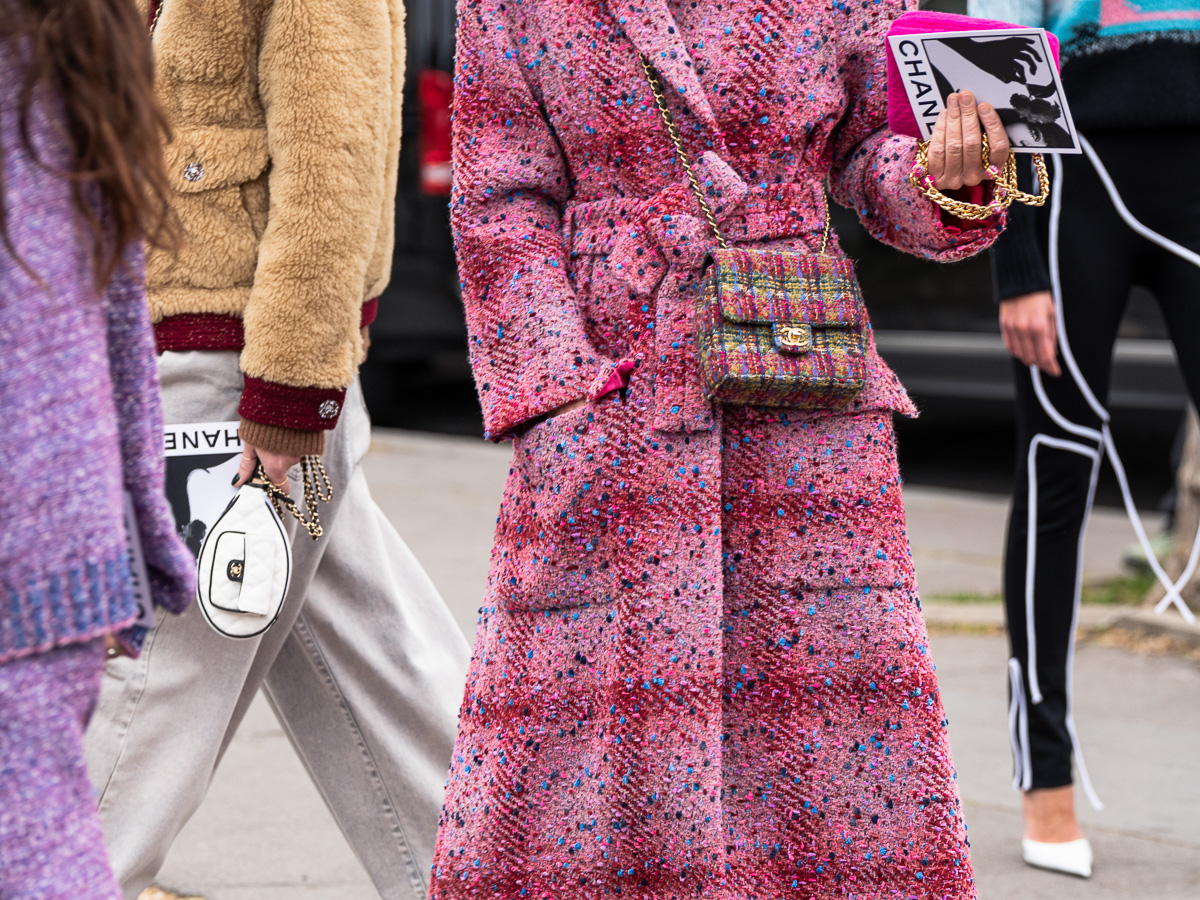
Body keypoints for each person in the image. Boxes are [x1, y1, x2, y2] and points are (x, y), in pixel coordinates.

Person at [428, 1, 1010, 896]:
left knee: (830, 764)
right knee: (581, 763)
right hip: (615, 384)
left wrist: (947, 173)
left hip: (801, 388)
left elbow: (868, 153)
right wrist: (561, 392)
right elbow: (501, 198)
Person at [82, 1, 470, 897]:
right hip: (217, 367)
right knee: (384, 667)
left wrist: (289, 392)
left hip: (238, 374)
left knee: (153, 678)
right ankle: (503, 872)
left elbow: (333, 168)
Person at [970, 0, 1200, 880]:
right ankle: (1047, 780)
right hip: (1074, 177)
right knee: (1056, 469)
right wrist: (1018, 265)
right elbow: (996, 57)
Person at [0, 0, 195, 895]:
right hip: (62, 532)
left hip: (50, 537)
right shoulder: (81, 36)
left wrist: (294, 394)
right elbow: (119, 307)